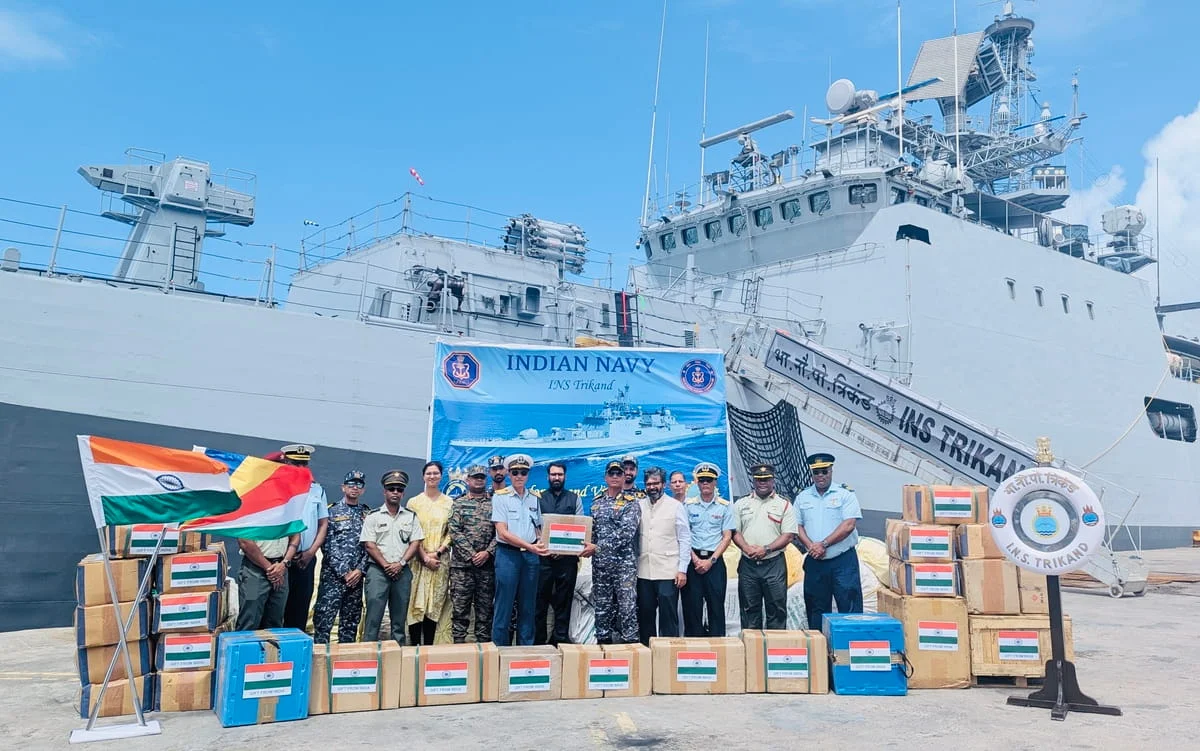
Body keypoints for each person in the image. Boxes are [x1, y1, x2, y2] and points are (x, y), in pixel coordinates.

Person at [794, 452, 864, 630]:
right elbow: (796, 526)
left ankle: (848, 653)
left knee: (850, 610)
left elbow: (849, 525)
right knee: (816, 611)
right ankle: (820, 653)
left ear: (831, 471)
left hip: (843, 562)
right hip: (815, 561)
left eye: (824, 471)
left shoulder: (845, 494)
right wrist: (811, 546)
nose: (820, 476)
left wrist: (823, 544)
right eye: (816, 472)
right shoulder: (803, 497)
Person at [361, 470, 428, 644]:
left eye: (399, 489)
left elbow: (415, 543)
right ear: (384, 491)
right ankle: (368, 654)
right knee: (373, 618)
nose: (395, 492)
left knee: (399, 619)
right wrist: (386, 565)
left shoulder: (411, 516)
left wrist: (400, 563)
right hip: (378, 571)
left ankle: (398, 656)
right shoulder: (373, 516)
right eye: (391, 489)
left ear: (403, 492)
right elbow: (369, 544)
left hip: (402, 571)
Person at [490, 454, 548, 646]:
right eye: (515, 472)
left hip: (531, 558)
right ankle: (499, 651)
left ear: (528, 475)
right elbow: (502, 532)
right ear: (509, 474)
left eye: (523, 472)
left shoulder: (534, 498)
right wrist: (530, 546)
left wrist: (541, 542)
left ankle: (525, 652)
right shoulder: (500, 498)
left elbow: (539, 527)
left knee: (528, 608)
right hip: (508, 556)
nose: (519, 476)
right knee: (503, 607)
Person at [732, 463, 797, 630]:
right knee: (749, 610)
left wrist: (766, 549)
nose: (762, 482)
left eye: (766, 479)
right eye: (759, 479)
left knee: (776, 610)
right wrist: (746, 548)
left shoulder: (784, 505)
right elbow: (734, 532)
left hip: (773, 564)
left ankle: (774, 653)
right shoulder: (741, 504)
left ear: (773, 480)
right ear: (753, 480)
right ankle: (752, 652)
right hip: (748, 565)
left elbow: (788, 535)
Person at [312, 470, 372, 644]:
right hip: (333, 578)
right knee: (323, 622)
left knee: (350, 625)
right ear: (343, 487)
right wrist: (345, 572)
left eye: (359, 485)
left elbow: (370, 545)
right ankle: (321, 663)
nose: (355, 488)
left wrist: (360, 570)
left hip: (356, 579)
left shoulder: (367, 514)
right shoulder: (331, 511)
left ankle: (345, 666)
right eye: (351, 484)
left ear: (363, 490)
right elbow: (328, 543)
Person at [635, 467, 690, 645]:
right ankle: (647, 655)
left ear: (663, 484)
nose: (652, 487)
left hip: (668, 572)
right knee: (645, 617)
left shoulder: (676, 506)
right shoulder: (638, 505)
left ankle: (668, 655)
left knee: (668, 618)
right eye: (649, 484)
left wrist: (682, 570)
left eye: (656, 483)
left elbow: (684, 539)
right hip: (643, 571)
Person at [681, 462, 736, 637]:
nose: (706, 484)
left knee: (716, 607)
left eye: (709, 480)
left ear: (715, 483)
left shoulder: (725, 506)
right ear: (697, 483)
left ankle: (718, 647)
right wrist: (696, 560)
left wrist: (711, 561)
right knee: (692, 609)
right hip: (693, 561)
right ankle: (694, 650)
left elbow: (727, 536)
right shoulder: (688, 505)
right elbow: (684, 535)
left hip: (715, 562)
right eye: (702, 480)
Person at [591, 459, 642, 644]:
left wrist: (596, 547)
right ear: (605, 477)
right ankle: (602, 648)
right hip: (601, 567)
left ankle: (632, 650)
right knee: (602, 609)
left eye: (618, 473)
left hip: (624, 567)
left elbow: (625, 534)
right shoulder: (596, 502)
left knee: (627, 608)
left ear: (623, 477)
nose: (614, 477)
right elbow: (592, 532)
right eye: (611, 473)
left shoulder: (632, 503)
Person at [279, 444, 328, 633]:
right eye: (295, 464)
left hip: (305, 559)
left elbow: (323, 523)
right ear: (286, 463)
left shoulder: (317, 490)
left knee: (300, 608)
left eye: (303, 464)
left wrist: (311, 552)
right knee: (277, 610)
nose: (300, 469)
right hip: (281, 559)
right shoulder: (277, 488)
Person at [536, 461, 584, 645]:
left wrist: (562, 550)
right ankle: (539, 643)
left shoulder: (574, 499)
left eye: (560, 475)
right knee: (540, 604)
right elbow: (536, 527)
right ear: (548, 476)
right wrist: (548, 548)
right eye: (553, 474)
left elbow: (580, 527)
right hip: (543, 559)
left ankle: (560, 642)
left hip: (567, 561)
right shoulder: (538, 498)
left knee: (564, 604)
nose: (557, 478)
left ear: (565, 477)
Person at [407, 461, 454, 645]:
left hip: (439, 562)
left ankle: (428, 648)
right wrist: (424, 556)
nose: (432, 476)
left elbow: (451, 532)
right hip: (417, 561)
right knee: (415, 604)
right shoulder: (414, 502)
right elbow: (410, 530)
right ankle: (414, 649)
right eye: (429, 473)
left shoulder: (449, 503)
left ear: (441, 476)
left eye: (436, 473)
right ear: (423, 476)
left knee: (433, 605)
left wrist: (438, 552)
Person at [447, 465, 496, 643]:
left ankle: (483, 654)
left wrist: (488, 553)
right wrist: (472, 554)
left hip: (487, 567)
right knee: (460, 611)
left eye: (482, 477)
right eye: (475, 477)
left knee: (485, 612)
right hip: (462, 568)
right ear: (468, 480)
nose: (479, 480)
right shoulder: (458, 503)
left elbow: (500, 532)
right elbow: (454, 531)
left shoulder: (495, 503)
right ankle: (459, 651)